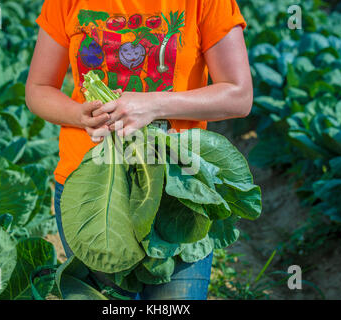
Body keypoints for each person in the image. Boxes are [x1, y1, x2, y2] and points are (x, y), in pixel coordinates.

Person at [25, 0, 252, 300]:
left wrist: (152, 104)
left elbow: (238, 94)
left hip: (178, 190)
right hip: (96, 193)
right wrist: (80, 115)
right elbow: (38, 88)